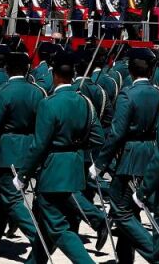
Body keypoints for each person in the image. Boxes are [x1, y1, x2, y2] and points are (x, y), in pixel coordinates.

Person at [19, 49, 104, 264]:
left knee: (56, 227)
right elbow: (98, 137)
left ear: (54, 75)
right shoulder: (85, 102)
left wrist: (23, 175)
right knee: (45, 225)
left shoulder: (49, 103)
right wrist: (76, 143)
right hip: (75, 167)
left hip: (53, 170)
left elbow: (39, 145)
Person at [0, 47, 45, 259]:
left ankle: (40, 240)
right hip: (30, 147)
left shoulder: (4, 91)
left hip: (9, 149)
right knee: (0, 200)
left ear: (7, 68)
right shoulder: (37, 92)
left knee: (12, 199)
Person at [99, 47, 159, 264]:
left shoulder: (128, 94)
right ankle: (125, 258)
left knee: (120, 210)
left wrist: (100, 164)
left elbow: (117, 133)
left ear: (129, 69)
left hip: (130, 156)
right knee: (132, 210)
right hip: (151, 153)